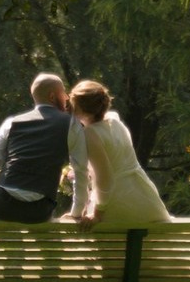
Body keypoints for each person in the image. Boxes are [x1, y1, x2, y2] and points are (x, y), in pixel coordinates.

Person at [0, 72, 90, 223]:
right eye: (63, 93)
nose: (67, 98)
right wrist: (76, 212)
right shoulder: (72, 124)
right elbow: (80, 171)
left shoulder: (11, 123)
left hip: (2, 205)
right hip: (39, 210)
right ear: (52, 96)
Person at [68, 79, 170, 228]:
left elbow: (105, 178)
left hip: (119, 202)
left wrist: (97, 213)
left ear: (80, 109)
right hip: (143, 195)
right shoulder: (115, 122)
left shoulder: (91, 134)